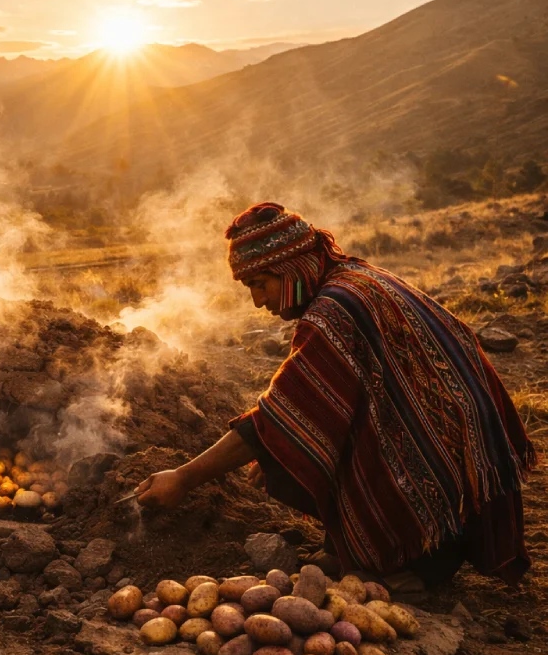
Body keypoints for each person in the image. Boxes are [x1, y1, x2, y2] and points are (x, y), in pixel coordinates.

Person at [135, 203, 536, 590]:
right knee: (286, 446)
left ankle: (422, 558)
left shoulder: (335, 309)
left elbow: (281, 414)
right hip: (466, 437)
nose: (258, 301)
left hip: (449, 452)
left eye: (260, 284)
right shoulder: (353, 275)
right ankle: (363, 544)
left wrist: (184, 478)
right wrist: (276, 448)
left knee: (286, 439)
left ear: (291, 269)